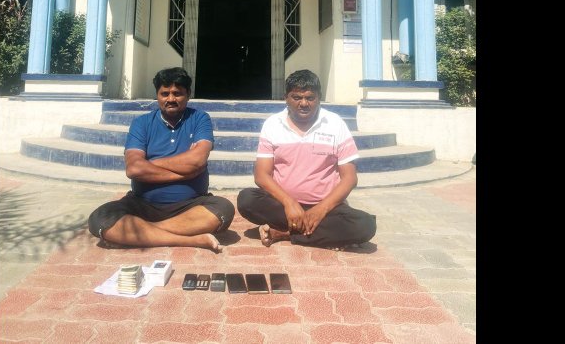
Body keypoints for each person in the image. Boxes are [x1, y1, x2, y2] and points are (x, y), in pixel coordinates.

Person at [88, 67, 234, 252]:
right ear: (157, 95)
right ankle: (191, 240)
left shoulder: (199, 118)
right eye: (165, 93)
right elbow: (134, 169)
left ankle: (140, 234)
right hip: (142, 205)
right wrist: (186, 173)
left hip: (190, 206)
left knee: (223, 209)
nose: (171, 99)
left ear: (188, 94)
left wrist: (148, 164)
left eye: (177, 93)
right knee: (100, 217)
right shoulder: (141, 123)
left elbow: (197, 161)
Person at [237, 69, 376, 249]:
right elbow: (261, 175)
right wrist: (289, 203)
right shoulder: (272, 124)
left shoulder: (335, 124)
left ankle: (285, 234)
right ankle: (320, 233)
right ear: (286, 98)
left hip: (326, 207)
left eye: (310, 98)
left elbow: (349, 178)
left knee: (365, 225)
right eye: (297, 97)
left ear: (319, 98)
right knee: (246, 199)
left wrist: (321, 210)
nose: (304, 103)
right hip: (283, 206)